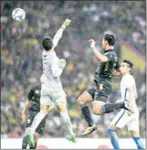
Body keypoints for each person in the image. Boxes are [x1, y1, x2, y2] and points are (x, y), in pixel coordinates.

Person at [27, 19, 76, 148]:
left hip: (45, 88)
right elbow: (56, 74)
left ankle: (31, 131)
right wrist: (62, 66)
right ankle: (71, 134)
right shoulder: (53, 58)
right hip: (55, 89)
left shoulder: (45, 52)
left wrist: (63, 26)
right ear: (51, 46)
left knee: (42, 112)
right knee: (63, 111)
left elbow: (56, 37)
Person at [78, 31, 131, 136]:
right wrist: (110, 74)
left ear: (106, 42)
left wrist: (93, 46)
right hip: (97, 84)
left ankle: (122, 104)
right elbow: (120, 71)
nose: (102, 42)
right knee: (81, 100)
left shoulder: (110, 54)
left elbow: (102, 58)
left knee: (97, 111)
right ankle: (91, 125)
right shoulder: (113, 55)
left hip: (103, 85)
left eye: (102, 40)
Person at [107, 59, 144, 149]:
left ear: (128, 69)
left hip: (128, 109)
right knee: (136, 137)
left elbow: (131, 91)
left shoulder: (127, 78)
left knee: (110, 130)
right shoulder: (130, 77)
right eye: (121, 65)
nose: (121, 67)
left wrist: (129, 106)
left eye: (124, 66)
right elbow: (136, 95)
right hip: (134, 110)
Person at [21, 84, 54, 149]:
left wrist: (47, 109)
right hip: (32, 113)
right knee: (28, 132)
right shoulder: (34, 88)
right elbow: (28, 100)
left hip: (42, 115)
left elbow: (53, 104)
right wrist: (23, 111)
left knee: (35, 136)